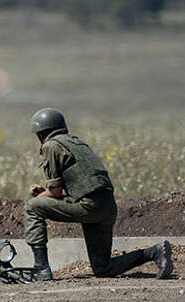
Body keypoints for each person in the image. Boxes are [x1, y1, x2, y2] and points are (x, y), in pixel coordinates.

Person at [24, 108, 173, 281]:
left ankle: (41, 269)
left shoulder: (51, 146)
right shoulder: (76, 143)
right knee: (103, 268)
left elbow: (56, 191)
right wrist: (45, 193)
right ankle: (154, 252)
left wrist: (40, 197)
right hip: (106, 207)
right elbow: (77, 187)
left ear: (41, 133)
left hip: (89, 206)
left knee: (32, 207)